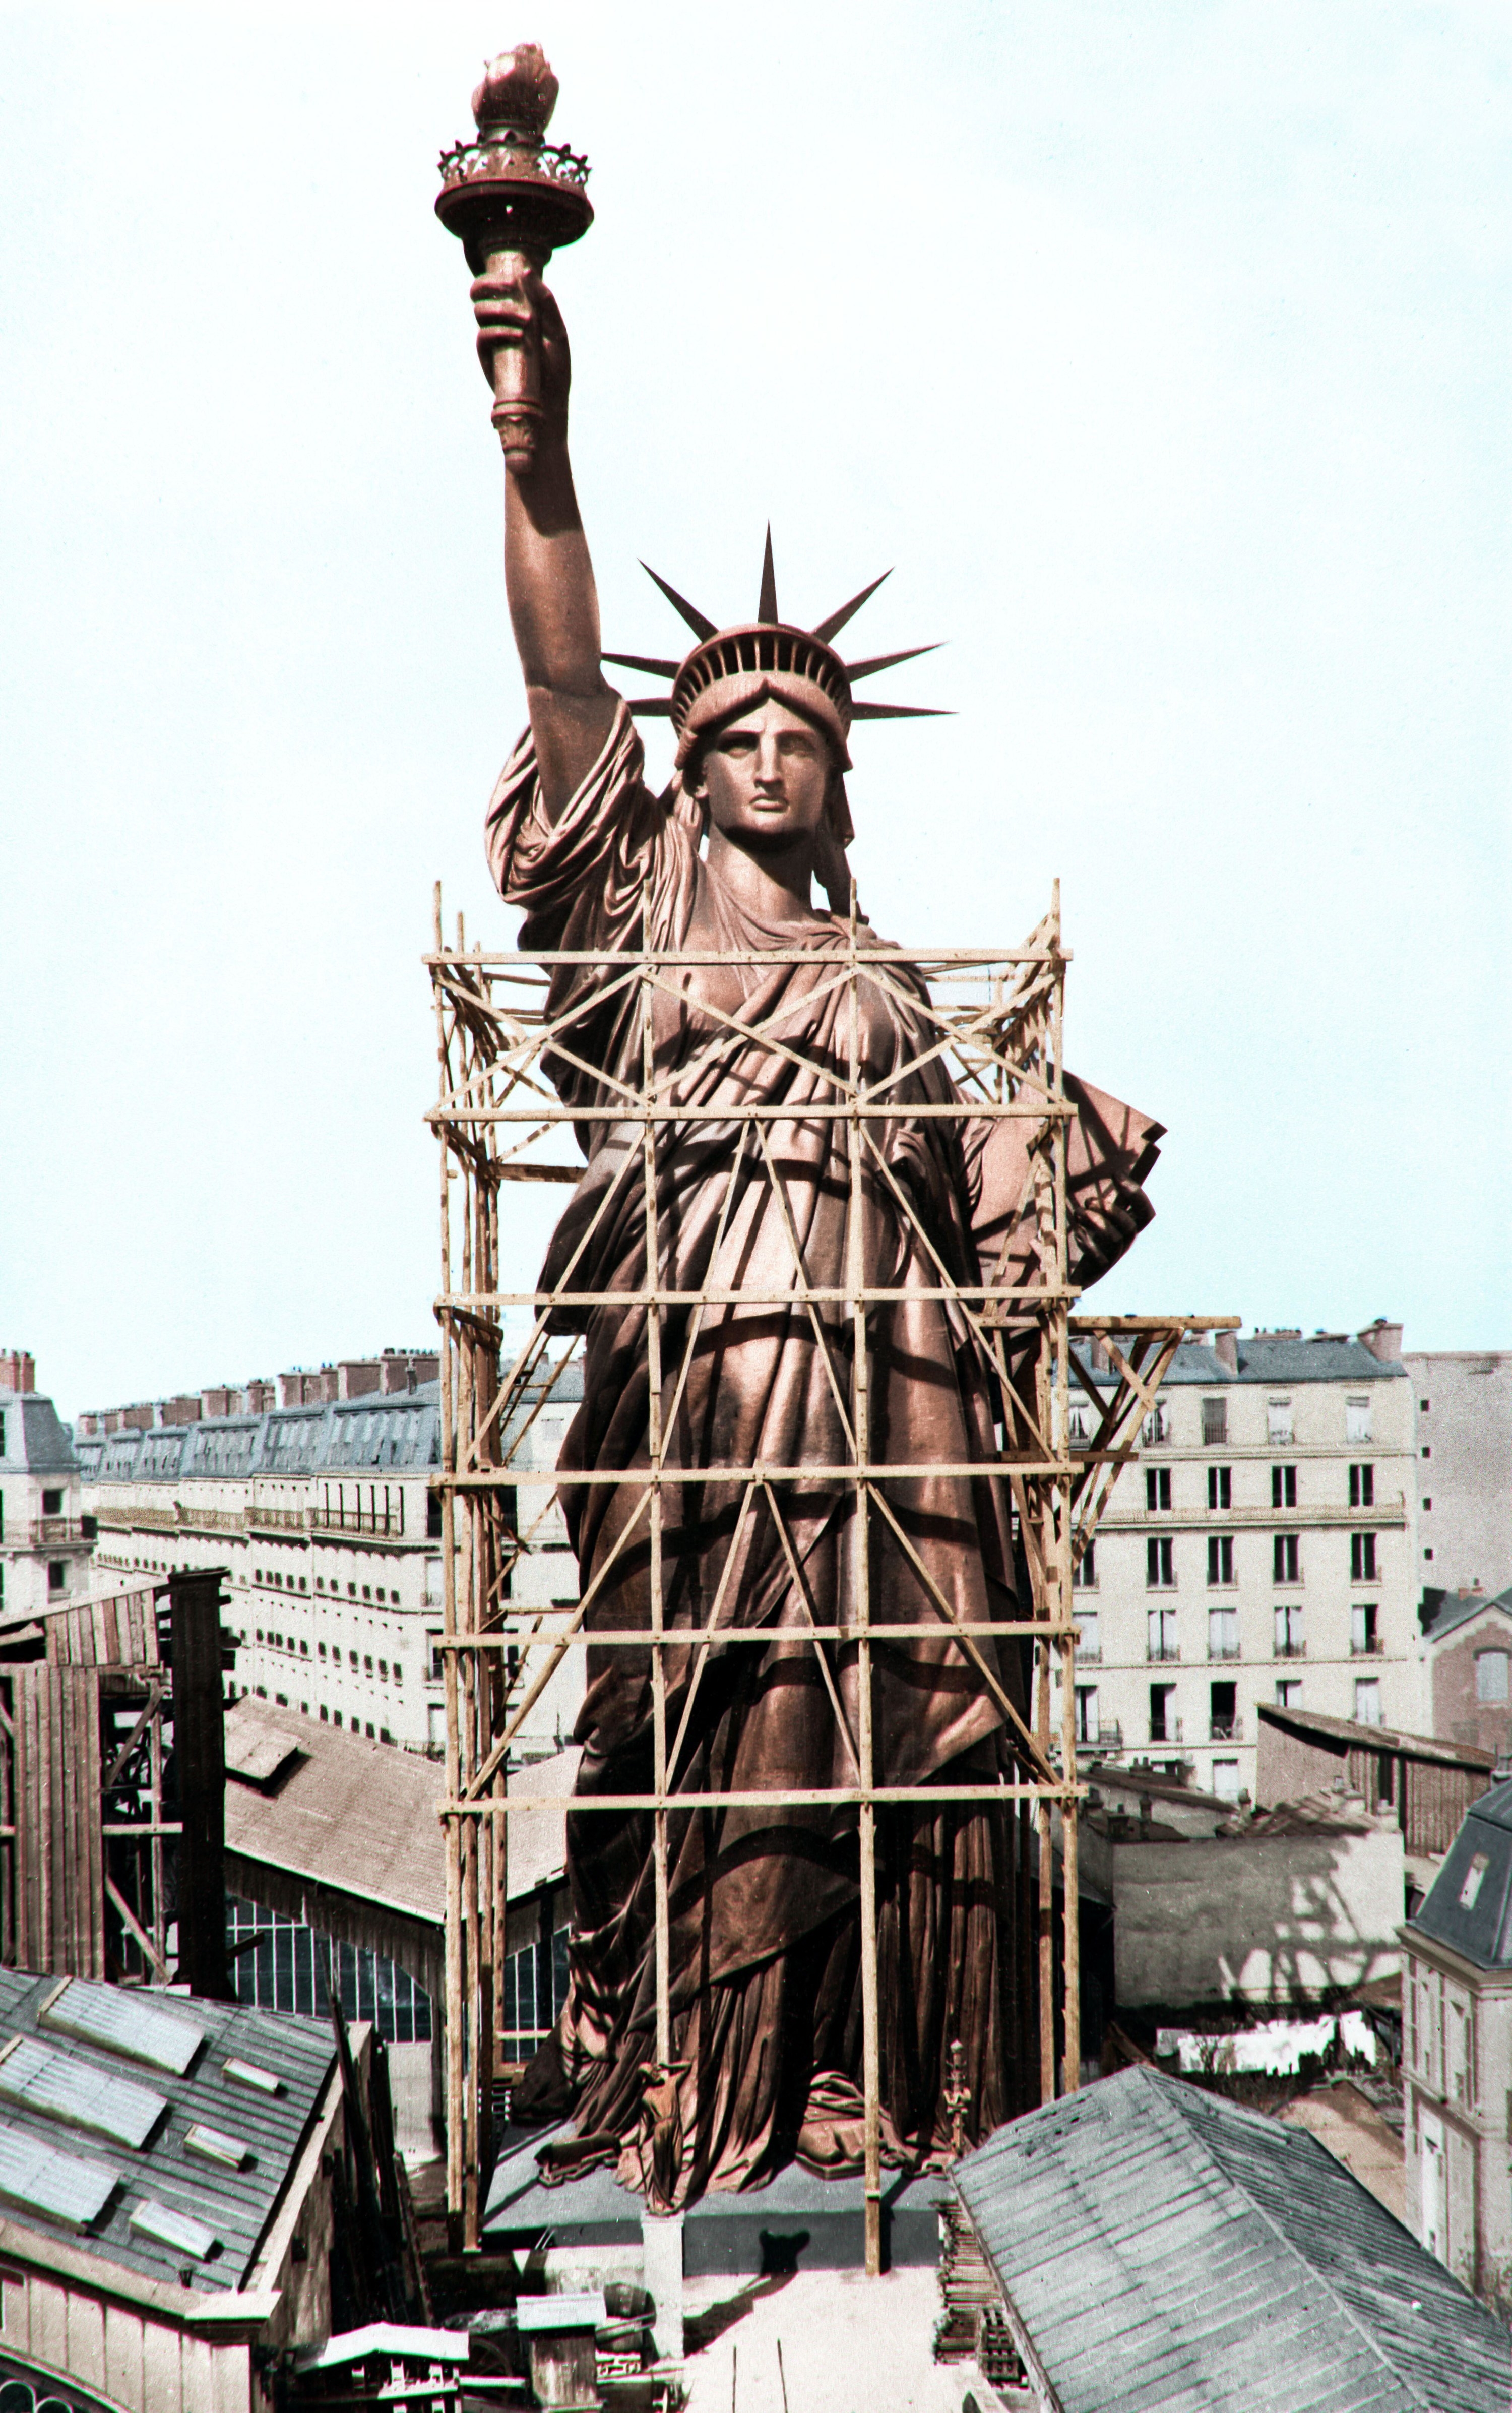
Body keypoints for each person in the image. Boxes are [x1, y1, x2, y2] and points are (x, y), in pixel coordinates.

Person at [470, 267, 1160, 2211]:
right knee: (726, 1717)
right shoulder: (652, 909)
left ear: (841, 777)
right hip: (711, 1396)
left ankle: (877, 2070)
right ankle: (727, 2079)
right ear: (683, 773)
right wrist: (537, 434)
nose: (770, 755)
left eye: (804, 734)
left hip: (895, 1409)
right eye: (735, 731)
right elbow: (559, 674)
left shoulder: (882, 979)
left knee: (907, 1713)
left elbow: (996, 1196)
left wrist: (1071, 1138)